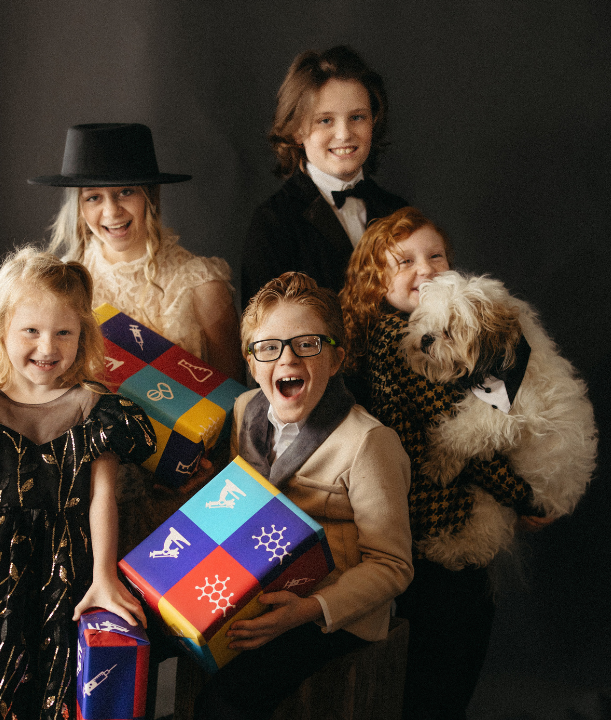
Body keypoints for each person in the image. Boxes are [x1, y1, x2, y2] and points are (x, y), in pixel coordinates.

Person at [0, 248, 156, 720]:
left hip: (63, 578)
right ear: (1, 329)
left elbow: (103, 499)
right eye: (31, 331)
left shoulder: (95, 410)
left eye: (64, 332)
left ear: (83, 336)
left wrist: (104, 576)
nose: (48, 347)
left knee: (52, 691)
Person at [339, 207, 551, 720]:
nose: (427, 268)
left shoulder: (411, 334)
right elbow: (459, 439)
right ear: (375, 278)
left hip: (423, 528)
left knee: (425, 673)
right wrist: (527, 496)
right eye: (405, 261)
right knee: (442, 672)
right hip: (438, 528)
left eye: (436, 256)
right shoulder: (403, 342)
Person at [194, 272, 413, 720]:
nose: (287, 357)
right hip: (256, 586)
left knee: (225, 701)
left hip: (330, 608)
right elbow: (245, 504)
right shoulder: (242, 409)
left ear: (336, 358)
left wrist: (307, 611)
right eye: (269, 347)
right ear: (251, 363)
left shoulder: (369, 442)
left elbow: (393, 566)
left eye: (307, 343)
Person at [29, 123, 244, 554]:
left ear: (150, 194)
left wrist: (215, 470)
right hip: (89, 499)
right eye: (94, 197)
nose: (111, 211)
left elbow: (236, 403)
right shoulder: (58, 290)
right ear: (78, 205)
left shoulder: (201, 283)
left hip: (186, 497)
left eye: (125, 191)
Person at [241, 45, 408, 306]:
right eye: (325, 120)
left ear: (374, 122)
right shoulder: (272, 224)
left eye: (357, 117)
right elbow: (263, 336)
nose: (344, 134)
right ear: (296, 130)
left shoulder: (400, 212)